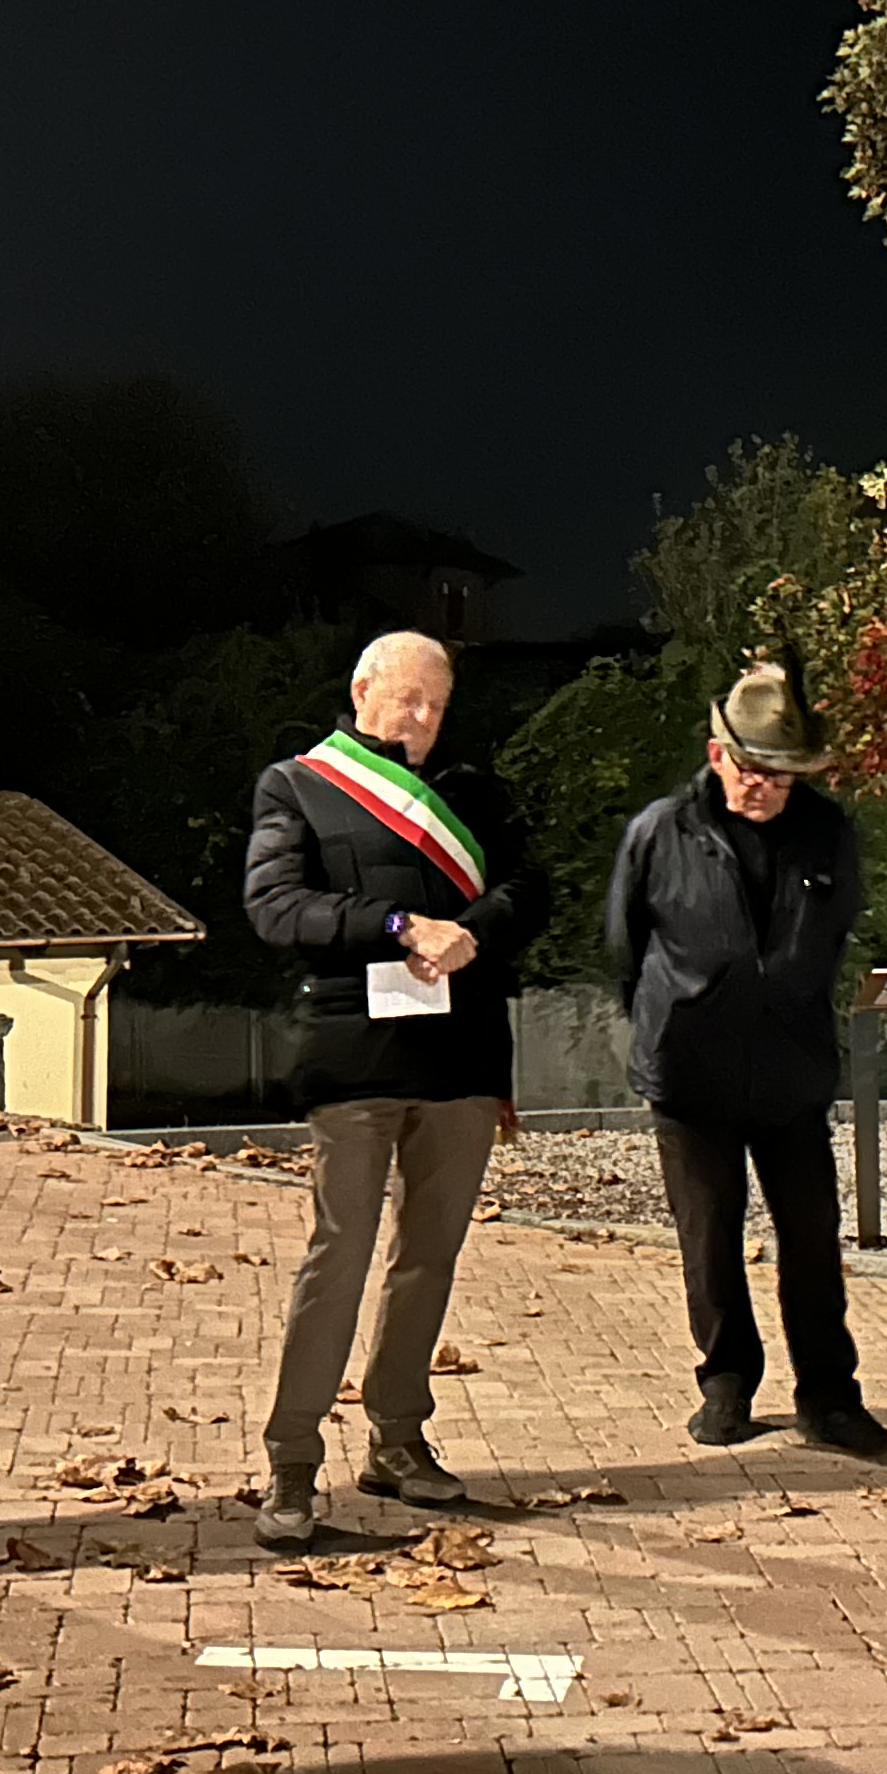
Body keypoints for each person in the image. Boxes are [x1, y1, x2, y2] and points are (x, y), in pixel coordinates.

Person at [240, 630, 542, 1544]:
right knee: (339, 1254)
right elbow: (275, 906)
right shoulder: (298, 784)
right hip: (356, 1055)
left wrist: (472, 930)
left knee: (430, 1256)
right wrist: (401, 925)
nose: (422, 719)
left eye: (437, 706)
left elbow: (531, 888)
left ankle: (398, 1439)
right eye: (408, 699)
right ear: (363, 688)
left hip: (462, 1055)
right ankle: (293, 1460)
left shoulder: (475, 793)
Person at [608, 658, 887, 1454]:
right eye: (751, 768)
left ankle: (829, 1396)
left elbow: (833, 934)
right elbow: (626, 949)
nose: (763, 785)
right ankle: (727, 1384)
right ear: (717, 755)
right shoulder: (661, 832)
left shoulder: (827, 831)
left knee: (812, 1240)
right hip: (689, 1073)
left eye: (781, 773)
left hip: (790, 1073)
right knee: (709, 1239)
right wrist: (671, 1020)